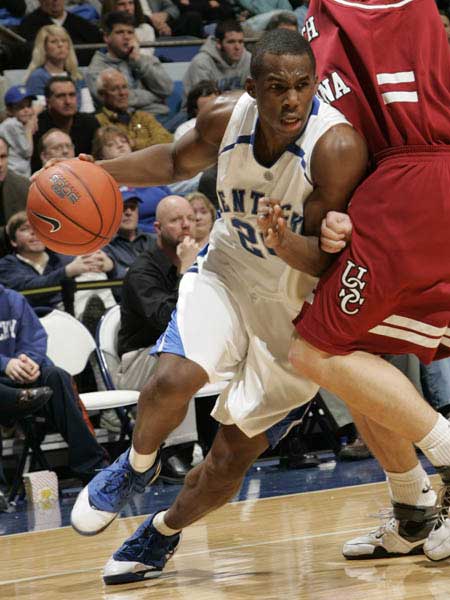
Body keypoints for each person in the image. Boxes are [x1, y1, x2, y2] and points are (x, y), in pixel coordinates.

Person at [66, 29, 368, 583]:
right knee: (168, 380)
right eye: (277, 87)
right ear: (252, 88)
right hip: (226, 272)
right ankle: (136, 464)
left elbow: (328, 264)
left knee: (231, 456)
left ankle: (161, 531)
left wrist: (285, 243)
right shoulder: (224, 118)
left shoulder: (336, 146)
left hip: (293, 310)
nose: (292, 99)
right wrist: (96, 174)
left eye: (303, 85)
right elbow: (172, 163)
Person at [283, 0, 450, 562]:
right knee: (355, 357)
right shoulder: (314, 18)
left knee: (313, 351)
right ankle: (413, 510)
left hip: (416, 179)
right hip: (392, 184)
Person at [115, 195, 200, 481]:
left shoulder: (203, 259)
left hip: (175, 352)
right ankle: (175, 453)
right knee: (179, 358)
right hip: (138, 360)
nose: (186, 225)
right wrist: (186, 273)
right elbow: (169, 321)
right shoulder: (142, 271)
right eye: (176, 220)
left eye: (190, 218)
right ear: (158, 228)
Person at [0, 284, 108, 481]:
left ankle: (93, 468)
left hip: (24, 380)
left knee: (56, 376)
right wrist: (5, 364)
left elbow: (35, 339)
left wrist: (29, 361)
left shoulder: (13, 299)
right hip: (3, 383)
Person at [0, 211, 114, 315]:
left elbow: (88, 264)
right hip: (35, 322)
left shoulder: (58, 257)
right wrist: (68, 271)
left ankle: (105, 319)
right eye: (25, 228)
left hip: (68, 314)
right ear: (13, 241)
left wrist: (109, 265)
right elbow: (32, 289)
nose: (34, 232)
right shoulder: (6, 265)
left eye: (39, 227)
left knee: (94, 274)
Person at [86, 11, 173, 119]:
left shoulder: (144, 59)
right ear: (106, 37)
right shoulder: (97, 70)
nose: (126, 37)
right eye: (120, 32)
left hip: (161, 118)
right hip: (123, 123)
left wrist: (138, 61)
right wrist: (155, 96)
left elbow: (166, 89)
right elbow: (118, 100)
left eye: (130, 32)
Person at [91, 125, 172, 232]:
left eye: (123, 141)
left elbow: (172, 198)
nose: (120, 145)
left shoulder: (150, 173)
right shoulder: (105, 187)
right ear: (101, 156)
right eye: (111, 144)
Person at [31, 75, 99, 172]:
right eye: (60, 96)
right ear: (48, 100)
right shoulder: (37, 126)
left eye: (72, 95)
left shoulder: (90, 123)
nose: (68, 101)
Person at [95, 69, 172, 150]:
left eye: (124, 87)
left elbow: (167, 140)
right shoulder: (98, 121)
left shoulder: (143, 116)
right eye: (114, 89)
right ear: (102, 95)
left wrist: (134, 143)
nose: (122, 93)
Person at [25, 24, 95, 113]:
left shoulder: (76, 74)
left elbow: (88, 109)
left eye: (64, 41)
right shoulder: (37, 77)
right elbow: (40, 113)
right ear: (44, 48)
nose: (60, 45)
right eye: (54, 42)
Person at [18, 0, 103, 66]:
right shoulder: (29, 24)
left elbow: (99, 43)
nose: (56, 0)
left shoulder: (80, 23)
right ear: (40, 0)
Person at [182, 20, 251, 98]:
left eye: (240, 42)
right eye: (231, 42)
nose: (237, 47)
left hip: (235, 107)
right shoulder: (201, 63)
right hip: (198, 109)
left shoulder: (248, 59)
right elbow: (203, 101)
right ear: (218, 43)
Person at [103, 187, 157, 282]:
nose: (128, 212)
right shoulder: (106, 247)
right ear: (113, 213)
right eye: (123, 208)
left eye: (132, 207)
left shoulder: (154, 241)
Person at [0, 137, 29, 258]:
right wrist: (9, 229)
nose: (0, 164)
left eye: (3, 157)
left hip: (19, 260)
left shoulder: (23, 186)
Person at [0, 86, 38, 178]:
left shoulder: (18, 124)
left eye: (28, 106)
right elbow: (27, 151)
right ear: (10, 110)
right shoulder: (11, 124)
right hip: (14, 173)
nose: (26, 110)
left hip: (19, 172)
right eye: (20, 107)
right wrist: (29, 129)